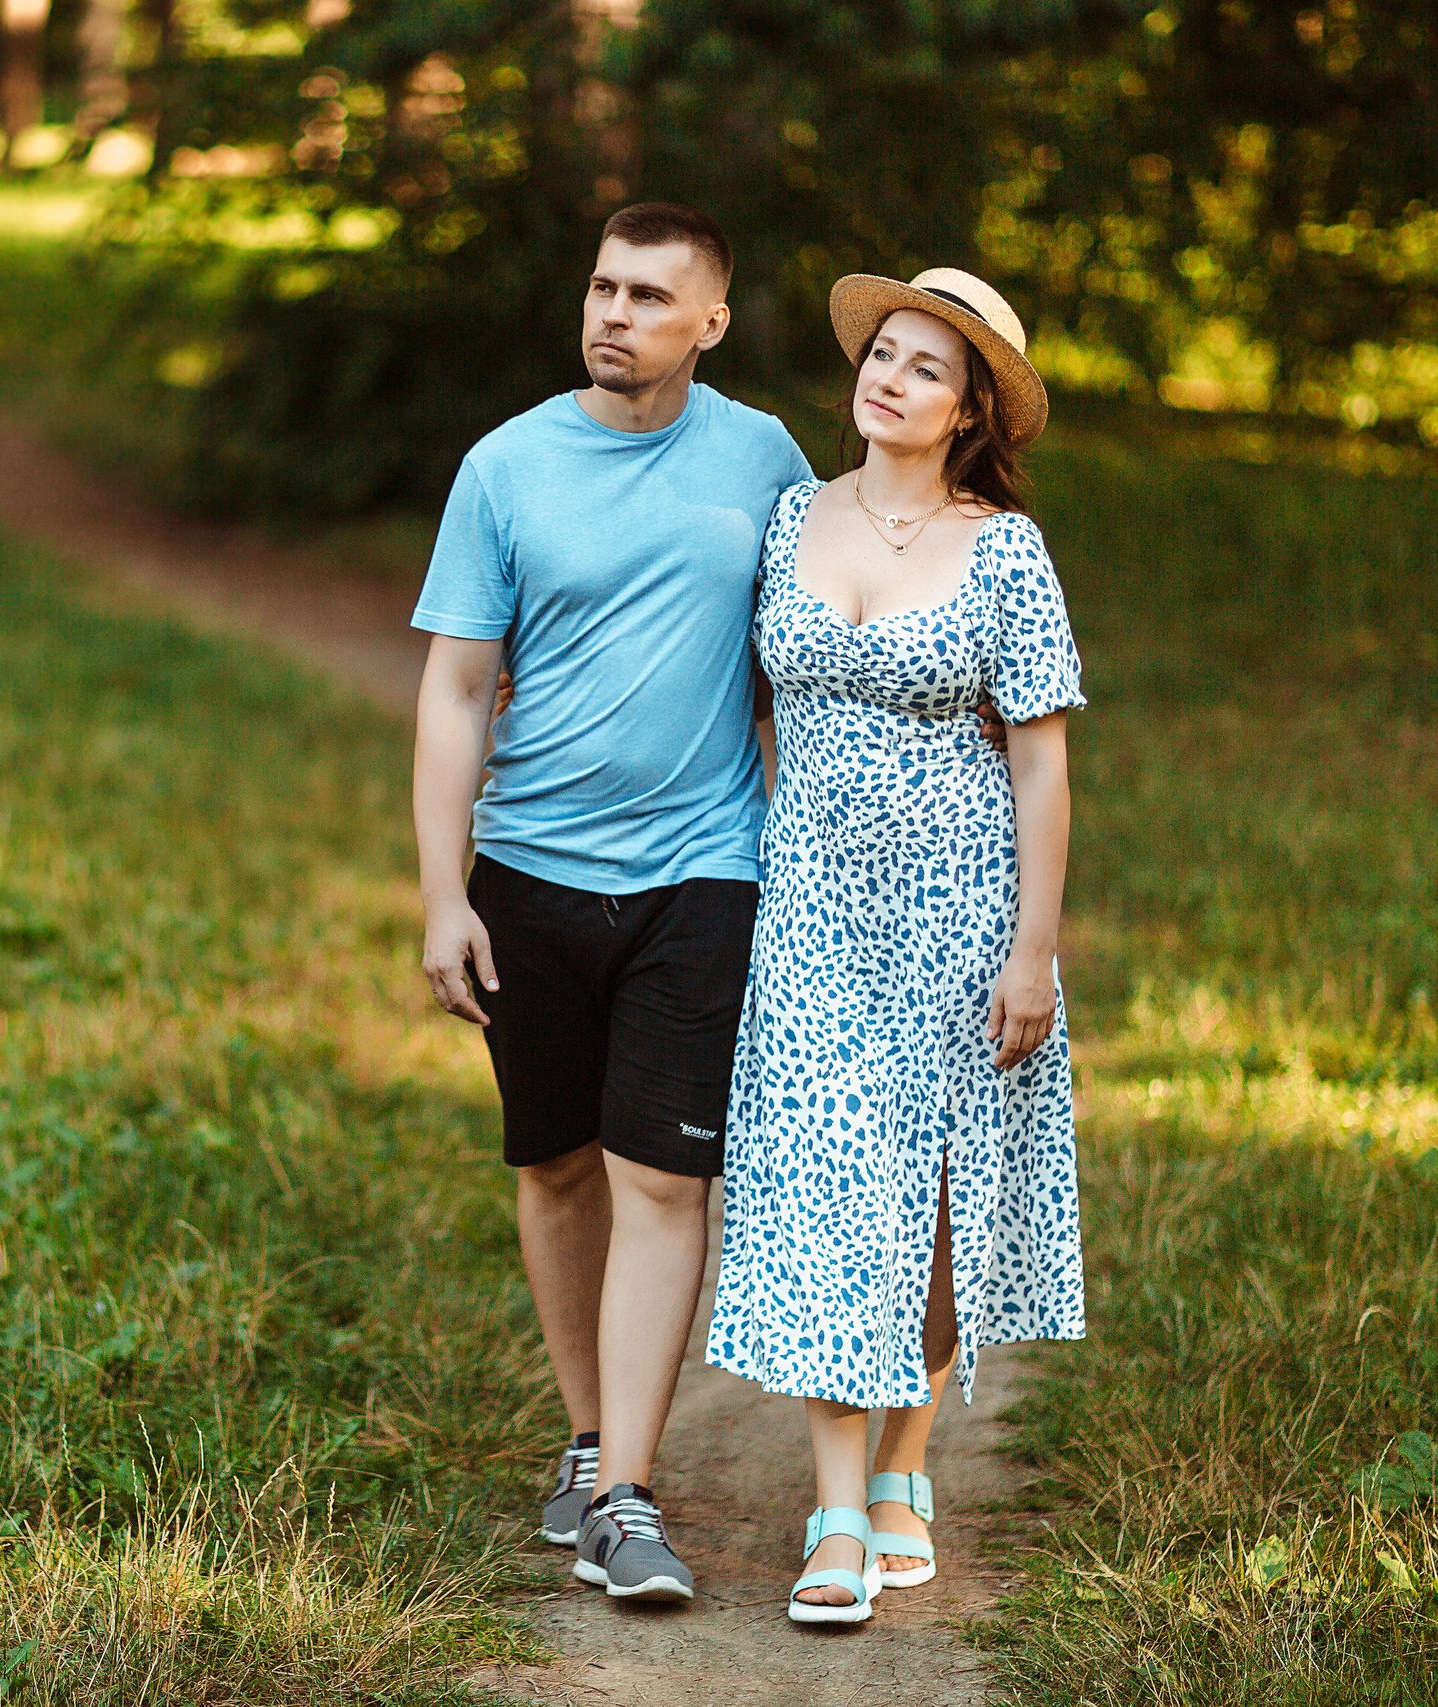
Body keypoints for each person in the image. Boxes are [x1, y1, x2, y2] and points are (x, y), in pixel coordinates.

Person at [412, 201, 806, 1602]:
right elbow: (458, 689)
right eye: (601, 287)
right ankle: (587, 1441)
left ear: (712, 322)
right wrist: (442, 893)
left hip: (706, 869)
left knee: (662, 1173)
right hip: (528, 873)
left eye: (648, 296)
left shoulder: (763, 459)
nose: (614, 314)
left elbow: (813, 638)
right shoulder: (507, 467)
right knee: (556, 1165)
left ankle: (628, 1494)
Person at [702, 268, 1088, 1626]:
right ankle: (832, 1512)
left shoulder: (1005, 553)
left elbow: (1041, 765)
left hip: (962, 909)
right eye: (884, 353)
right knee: (821, 1189)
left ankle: (904, 1465)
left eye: (929, 367)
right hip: (811, 910)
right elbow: (736, 697)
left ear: (970, 409)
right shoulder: (790, 518)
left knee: (935, 1205)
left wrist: (1032, 952)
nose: (891, 378)